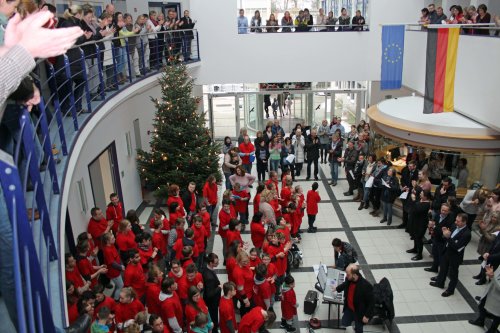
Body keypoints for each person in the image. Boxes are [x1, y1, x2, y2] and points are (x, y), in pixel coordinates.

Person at [430, 213, 472, 297]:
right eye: (456, 220)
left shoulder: (467, 234)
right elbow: (448, 235)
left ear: (464, 222)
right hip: (446, 251)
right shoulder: (454, 226)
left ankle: (450, 290)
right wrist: (445, 232)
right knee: (443, 268)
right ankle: (440, 283)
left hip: (455, 256)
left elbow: (457, 246)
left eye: (458, 221)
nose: (456, 222)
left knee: (453, 274)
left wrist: (448, 237)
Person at [334, 264, 374, 333]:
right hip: (349, 309)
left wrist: (367, 316)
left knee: (359, 329)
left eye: (348, 274)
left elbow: (372, 302)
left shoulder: (366, 286)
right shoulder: (349, 279)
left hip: (359, 313)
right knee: (344, 322)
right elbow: (345, 284)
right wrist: (337, 288)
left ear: (355, 275)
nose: (346, 276)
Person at [468, 264, 500, 333]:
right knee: (482, 305)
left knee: (497, 316)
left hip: (498, 296)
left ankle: (492, 330)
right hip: (491, 290)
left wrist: (492, 277)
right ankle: (480, 320)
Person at [407, 190, 432, 261]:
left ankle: (419, 255)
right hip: (415, 221)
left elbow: (417, 209)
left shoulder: (427, 204)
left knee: (418, 238)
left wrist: (414, 200)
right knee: (414, 236)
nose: (420, 194)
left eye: (421, 194)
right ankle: (415, 249)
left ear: (425, 197)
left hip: (421, 223)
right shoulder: (420, 200)